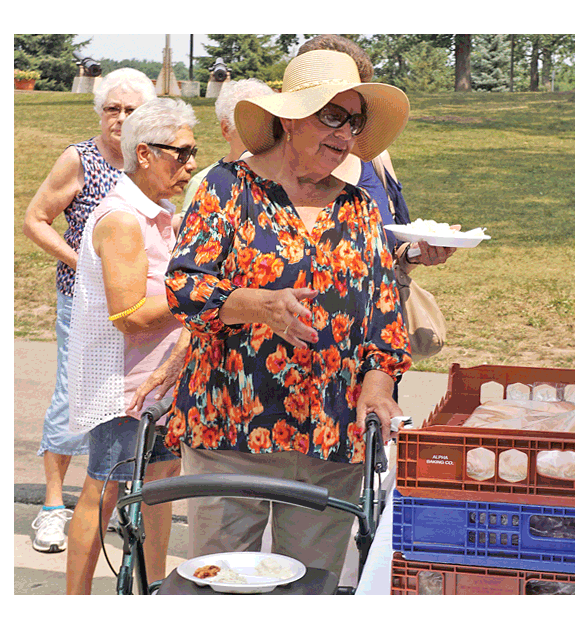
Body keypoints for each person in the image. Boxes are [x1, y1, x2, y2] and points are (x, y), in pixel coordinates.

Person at [164, 50, 412, 578]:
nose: (346, 133)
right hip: (231, 431)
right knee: (219, 589)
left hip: (329, 434)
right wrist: (257, 304)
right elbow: (185, 288)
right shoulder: (227, 188)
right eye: (332, 116)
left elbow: (384, 319)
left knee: (309, 593)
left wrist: (378, 384)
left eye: (354, 121)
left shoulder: (358, 207)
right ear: (292, 117)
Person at [64, 98, 198, 594]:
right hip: (123, 384)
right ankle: (75, 603)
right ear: (144, 153)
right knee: (104, 489)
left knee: (160, 490)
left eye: (193, 152)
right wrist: (201, 294)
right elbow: (132, 316)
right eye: (180, 153)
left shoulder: (156, 211)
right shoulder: (122, 219)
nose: (190, 165)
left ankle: (153, 593)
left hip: (157, 383)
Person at [22, 68, 156, 554]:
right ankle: (54, 507)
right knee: (71, 394)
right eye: (112, 109)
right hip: (83, 303)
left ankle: (118, 503)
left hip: (140, 303)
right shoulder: (81, 158)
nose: (120, 118)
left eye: (131, 110)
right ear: (100, 113)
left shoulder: (150, 158)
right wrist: (84, 264)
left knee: (132, 396)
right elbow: (35, 220)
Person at [298, 35, 457, 273]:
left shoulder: (376, 160)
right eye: (332, 113)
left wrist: (416, 254)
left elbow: (396, 252)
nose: (343, 130)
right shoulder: (251, 178)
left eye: (355, 114)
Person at [177, 77, 275, 217]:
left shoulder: (286, 178)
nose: (263, 134)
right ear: (226, 129)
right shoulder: (205, 182)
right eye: (250, 126)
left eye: (268, 123)